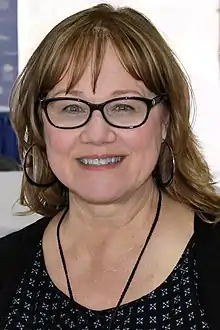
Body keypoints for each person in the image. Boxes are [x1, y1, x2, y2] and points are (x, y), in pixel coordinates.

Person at [0, 3, 220, 329]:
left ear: (166, 122)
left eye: (124, 107)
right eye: (72, 108)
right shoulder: (7, 266)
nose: (97, 134)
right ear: (40, 126)